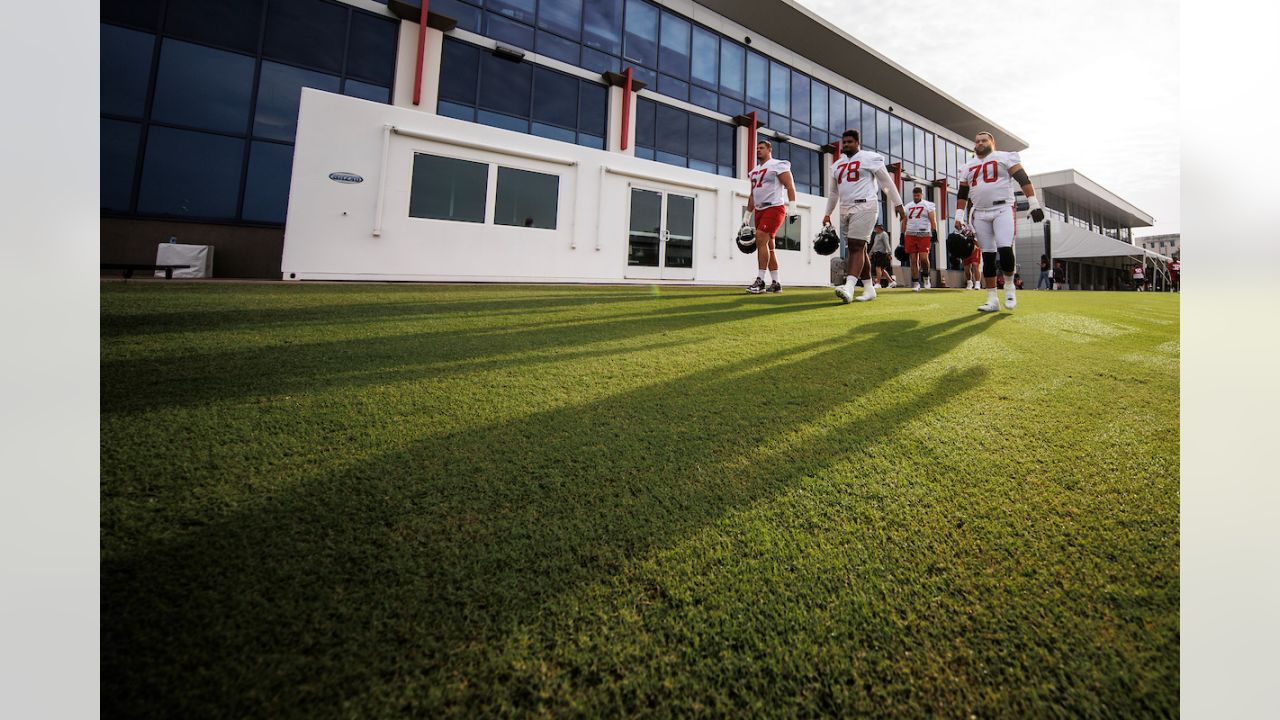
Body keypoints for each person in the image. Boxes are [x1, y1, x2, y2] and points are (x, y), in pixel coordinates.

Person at [954, 131, 1045, 312]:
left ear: (992, 142)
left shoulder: (1004, 157)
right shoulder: (968, 166)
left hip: (1003, 208)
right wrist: (958, 215)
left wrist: (1033, 202)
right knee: (987, 257)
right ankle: (992, 299)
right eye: (977, 140)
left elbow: (1022, 178)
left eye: (984, 140)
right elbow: (963, 193)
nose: (979, 143)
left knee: (1004, 250)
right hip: (980, 213)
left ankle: (1010, 288)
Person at [824, 129, 905, 303]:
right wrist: (827, 213)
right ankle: (869, 289)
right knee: (859, 248)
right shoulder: (837, 165)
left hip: (866, 204)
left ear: (857, 142)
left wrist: (898, 203)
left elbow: (886, 182)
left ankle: (850, 286)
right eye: (844, 142)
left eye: (849, 142)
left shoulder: (869, 158)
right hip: (845, 208)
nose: (846, 145)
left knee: (856, 245)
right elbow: (833, 192)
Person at [745, 139, 796, 294]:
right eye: (757, 148)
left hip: (774, 207)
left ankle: (760, 281)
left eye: (761, 148)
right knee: (769, 246)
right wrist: (747, 216)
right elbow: (752, 194)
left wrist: (793, 208)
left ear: (769, 149)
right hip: (760, 210)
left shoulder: (778, 165)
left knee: (760, 237)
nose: (758, 150)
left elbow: (789, 186)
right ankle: (776, 282)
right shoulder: (754, 171)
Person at [901, 186, 938, 292]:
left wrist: (934, 231)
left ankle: (926, 278)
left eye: (918, 195)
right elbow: (904, 221)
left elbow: (932, 219)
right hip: (910, 234)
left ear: (922, 195)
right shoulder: (908, 206)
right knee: (913, 260)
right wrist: (901, 234)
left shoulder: (928, 205)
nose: (916, 197)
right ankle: (916, 282)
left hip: (924, 234)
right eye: (915, 195)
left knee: (923, 259)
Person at [869, 223, 896, 288]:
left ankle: (878, 283)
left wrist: (889, 253)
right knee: (882, 270)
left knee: (878, 268)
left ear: (879, 228)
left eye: (876, 228)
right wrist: (870, 254)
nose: (875, 229)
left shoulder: (884, 234)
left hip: (881, 253)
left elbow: (887, 244)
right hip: (876, 253)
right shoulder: (876, 235)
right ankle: (891, 282)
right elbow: (874, 245)